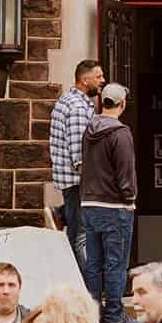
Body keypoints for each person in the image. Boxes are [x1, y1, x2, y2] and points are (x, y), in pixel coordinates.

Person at [82, 82, 142, 323]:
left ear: (102, 102)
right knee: (116, 263)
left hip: (89, 203)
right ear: (122, 104)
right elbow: (125, 172)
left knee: (94, 262)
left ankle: (93, 313)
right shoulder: (120, 133)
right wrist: (130, 199)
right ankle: (114, 314)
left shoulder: (89, 129)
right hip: (114, 205)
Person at [51, 60, 105, 267]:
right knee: (80, 236)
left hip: (71, 181)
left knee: (77, 230)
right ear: (84, 79)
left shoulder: (69, 101)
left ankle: (62, 212)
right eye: (98, 76)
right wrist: (93, 180)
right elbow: (79, 150)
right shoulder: (77, 108)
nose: (102, 81)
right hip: (78, 181)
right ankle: (85, 287)